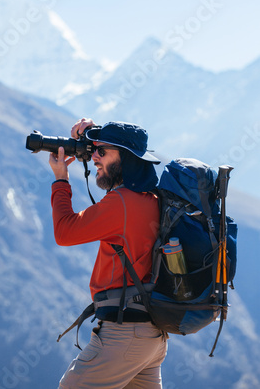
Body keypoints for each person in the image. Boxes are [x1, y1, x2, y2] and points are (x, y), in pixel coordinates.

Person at [48, 117, 168, 389]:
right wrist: (91, 135)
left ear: (125, 158)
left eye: (102, 152)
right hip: (151, 338)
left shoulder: (122, 203)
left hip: (122, 336)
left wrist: (61, 180)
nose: (94, 158)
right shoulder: (152, 199)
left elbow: (64, 233)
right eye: (94, 151)